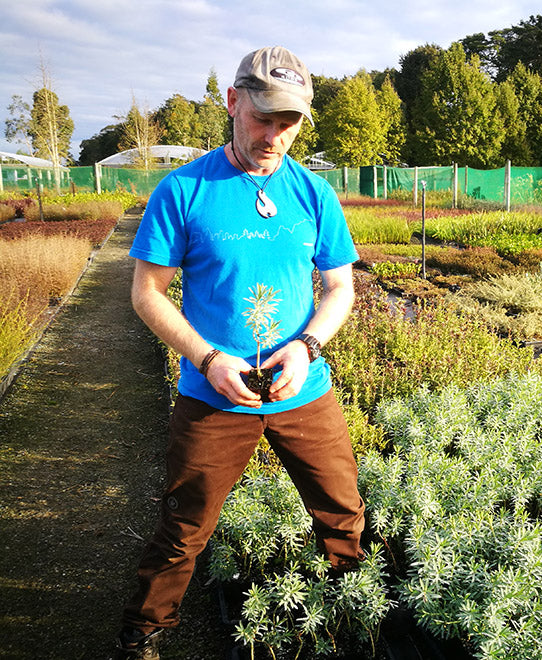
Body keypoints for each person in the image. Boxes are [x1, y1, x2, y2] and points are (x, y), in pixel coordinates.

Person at [110, 46, 365, 659]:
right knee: (185, 528)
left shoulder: (314, 194)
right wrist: (208, 359)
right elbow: (147, 294)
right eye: (263, 118)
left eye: (290, 122)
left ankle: (356, 614)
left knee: (342, 511)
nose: (275, 135)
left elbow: (339, 287)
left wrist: (306, 347)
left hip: (302, 387)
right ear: (232, 102)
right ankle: (144, 632)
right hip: (213, 393)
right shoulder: (185, 190)